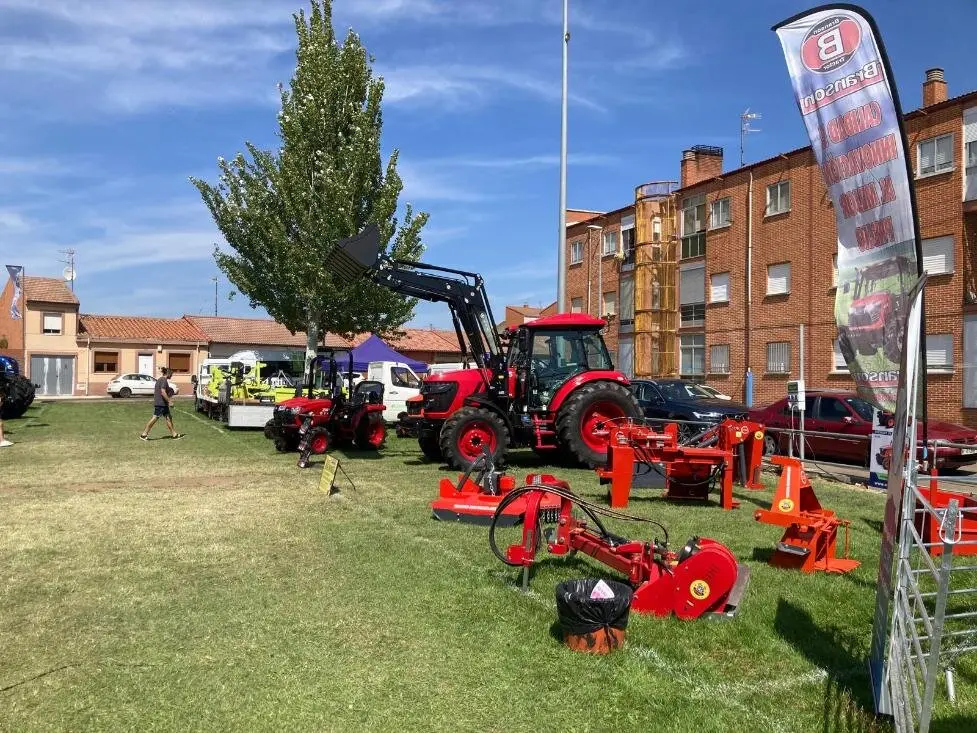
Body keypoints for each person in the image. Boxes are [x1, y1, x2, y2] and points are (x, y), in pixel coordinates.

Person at [140, 367, 184, 440]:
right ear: (168, 373)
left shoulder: (161, 379)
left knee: (168, 417)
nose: (171, 376)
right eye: (171, 374)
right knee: (155, 418)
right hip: (160, 403)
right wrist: (169, 401)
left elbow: (166, 391)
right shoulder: (163, 380)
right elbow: (163, 392)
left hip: (163, 403)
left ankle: (174, 434)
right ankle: (144, 434)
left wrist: (172, 392)